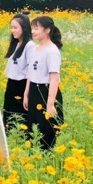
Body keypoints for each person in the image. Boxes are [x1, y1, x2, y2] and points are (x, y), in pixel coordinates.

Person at [23, 15, 64, 151]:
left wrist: (50, 104)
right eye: (32, 28)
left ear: (47, 30)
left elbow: (54, 79)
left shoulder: (52, 52)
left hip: (46, 92)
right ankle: (33, 153)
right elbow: (30, 73)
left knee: (46, 127)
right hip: (34, 89)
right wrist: (26, 94)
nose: (33, 31)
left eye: (36, 28)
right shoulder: (34, 49)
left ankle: (47, 155)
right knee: (33, 125)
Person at [2, 13, 33, 131]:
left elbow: (31, 71)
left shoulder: (29, 46)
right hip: (11, 83)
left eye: (15, 28)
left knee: (20, 118)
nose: (12, 31)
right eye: (11, 27)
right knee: (8, 115)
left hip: (22, 85)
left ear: (24, 28)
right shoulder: (16, 43)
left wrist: (26, 94)